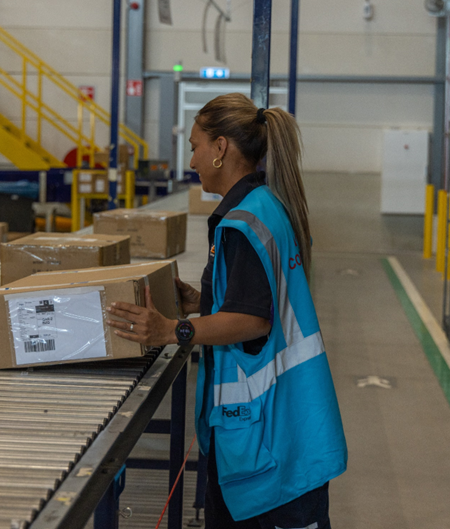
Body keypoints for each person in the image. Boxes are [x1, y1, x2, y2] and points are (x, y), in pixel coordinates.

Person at [106, 92, 347, 528]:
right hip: (288, 424)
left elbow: (253, 320)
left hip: (272, 438)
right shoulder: (265, 205)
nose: (192, 161)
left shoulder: (242, 223)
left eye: (195, 147)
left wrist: (172, 330)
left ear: (221, 148)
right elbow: (261, 295)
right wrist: (205, 301)